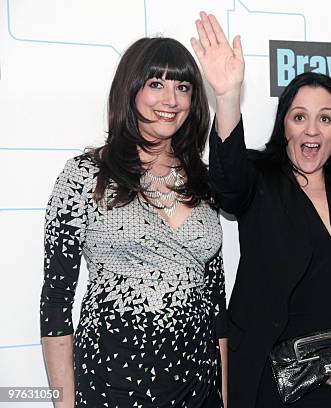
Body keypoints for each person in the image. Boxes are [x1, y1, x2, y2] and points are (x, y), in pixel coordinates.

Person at [190, 12, 331, 408]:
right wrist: (227, 95)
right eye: (299, 116)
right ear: (284, 124)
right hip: (279, 386)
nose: (311, 130)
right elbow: (228, 183)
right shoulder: (258, 180)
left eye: (325, 118)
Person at [40, 37, 227, 408]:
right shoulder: (84, 176)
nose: (171, 100)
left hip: (198, 385)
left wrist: (223, 396)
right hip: (113, 383)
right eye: (156, 84)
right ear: (130, 89)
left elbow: (215, 303)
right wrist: (64, 404)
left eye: (183, 87)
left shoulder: (205, 182)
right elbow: (56, 302)